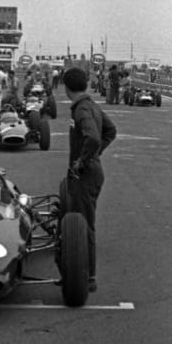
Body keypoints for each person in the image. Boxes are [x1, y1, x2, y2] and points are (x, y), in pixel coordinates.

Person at [63, 67, 117, 292]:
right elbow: (110, 131)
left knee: (83, 225)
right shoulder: (91, 104)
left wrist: (82, 161)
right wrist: (94, 155)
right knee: (81, 222)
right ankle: (82, 272)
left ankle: (87, 277)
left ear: (66, 88)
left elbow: (94, 137)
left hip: (85, 174)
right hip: (93, 170)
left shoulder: (82, 109)